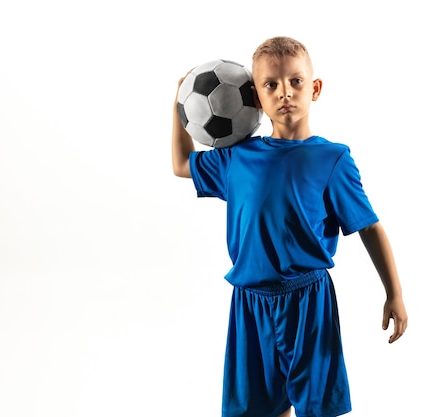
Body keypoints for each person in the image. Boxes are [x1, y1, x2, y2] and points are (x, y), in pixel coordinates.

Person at [172, 36, 407, 417]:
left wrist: (394, 293)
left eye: (296, 81)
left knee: (316, 407)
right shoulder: (238, 158)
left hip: (308, 302)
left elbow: (369, 227)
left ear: (315, 89)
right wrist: (178, 105)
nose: (285, 92)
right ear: (255, 97)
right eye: (271, 84)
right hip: (249, 303)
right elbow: (182, 165)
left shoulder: (333, 159)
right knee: (261, 408)